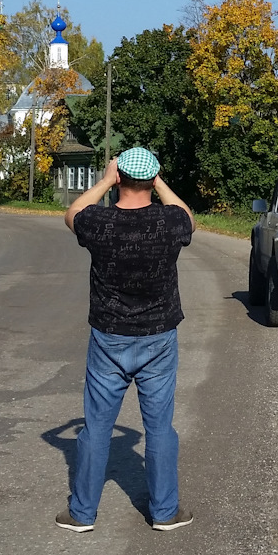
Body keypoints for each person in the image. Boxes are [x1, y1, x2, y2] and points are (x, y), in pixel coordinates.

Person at [55, 146, 197, 532]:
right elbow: (189, 218)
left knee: (96, 428)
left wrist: (104, 180)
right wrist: (158, 180)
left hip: (109, 337)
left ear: (118, 178)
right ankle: (165, 512)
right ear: (153, 178)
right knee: (159, 428)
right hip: (158, 336)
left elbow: (71, 215)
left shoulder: (98, 222)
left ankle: (82, 514)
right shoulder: (170, 223)